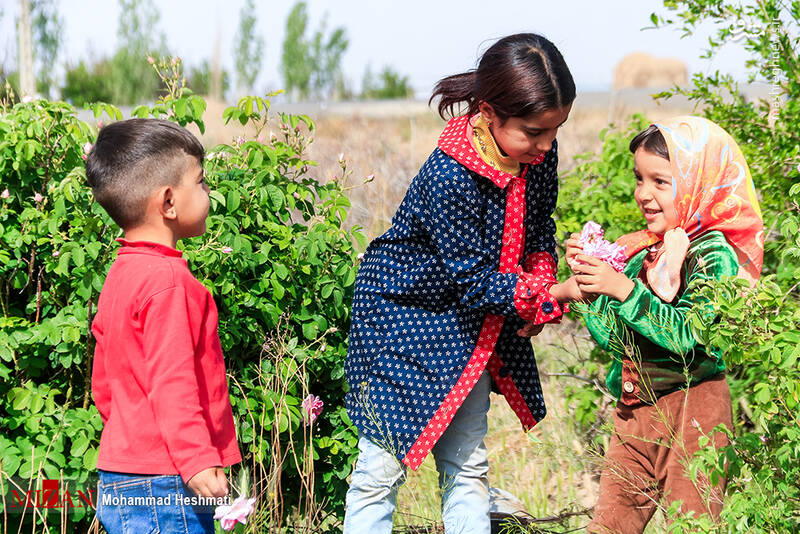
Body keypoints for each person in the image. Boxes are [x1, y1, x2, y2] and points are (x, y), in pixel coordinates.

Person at [343, 33, 582, 533]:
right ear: (490, 112)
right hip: (403, 323)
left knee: (468, 466)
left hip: (470, 327)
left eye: (554, 131)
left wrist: (540, 284)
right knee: (379, 472)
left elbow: (540, 229)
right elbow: (473, 280)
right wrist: (546, 297)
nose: (545, 145)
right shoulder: (449, 175)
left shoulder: (539, 157)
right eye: (534, 132)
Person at [566, 116, 764, 533]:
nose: (644, 195)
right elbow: (617, 340)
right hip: (635, 415)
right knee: (608, 526)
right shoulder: (644, 253)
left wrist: (622, 290)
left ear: (697, 184)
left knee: (691, 526)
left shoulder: (711, 255)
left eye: (661, 182)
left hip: (695, 415)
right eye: (639, 179)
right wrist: (588, 288)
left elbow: (687, 333)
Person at [86, 118, 242, 534]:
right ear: (169, 202)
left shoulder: (122, 273)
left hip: (122, 473)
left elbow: (103, 383)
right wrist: (196, 461)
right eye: (202, 182)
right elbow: (173, 382)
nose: (209, 193)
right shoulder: (168, 282)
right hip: (167, 480)